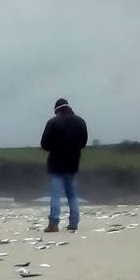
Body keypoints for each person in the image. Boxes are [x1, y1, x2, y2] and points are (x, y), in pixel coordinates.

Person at [40, 98, 88, 233]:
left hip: (55, 164)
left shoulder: (52, 122)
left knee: (55, 195)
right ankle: (74, 222)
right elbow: (83, 143)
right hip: (73, 163)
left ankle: (53, 223)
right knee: (72, 194)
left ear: (57, 110)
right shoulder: (80, 121)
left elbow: (44, 144)